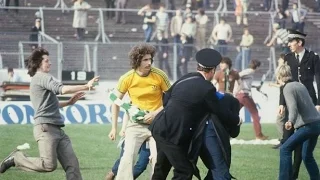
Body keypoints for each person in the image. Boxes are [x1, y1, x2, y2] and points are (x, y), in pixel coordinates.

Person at [0, 48, 99, 180]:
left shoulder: (39, 79)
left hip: (57, 130)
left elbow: (50, 104)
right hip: (46, 129)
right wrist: (86, 86)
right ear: (38, 63)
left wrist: (68, 103)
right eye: (47, 61)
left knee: (72, 165)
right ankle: (16, 159)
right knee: (48, 165)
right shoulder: (42, 77)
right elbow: (62, 89)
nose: (50, 63)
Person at [149, 48, 240, 180]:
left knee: (161, 169)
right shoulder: (207, 88)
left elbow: (166, 97)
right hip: (173, 134)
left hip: (159, 127)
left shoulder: (186, 77)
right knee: (184, 171)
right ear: (212, 70)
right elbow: (220, 111)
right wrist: (236, 120)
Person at [108, 43, 171, 180]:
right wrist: (114, 128)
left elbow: (171, 99)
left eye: (150, 59)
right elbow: (115, 102)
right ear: (137, 61)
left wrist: (154, 113)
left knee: (157, 160)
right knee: (127, 157)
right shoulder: (127, 78)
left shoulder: (160, 75)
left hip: (158, 124)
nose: (149, 63)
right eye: (145, 60)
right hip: (135, 125)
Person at [278, 29, 320, 180]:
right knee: (289, 141)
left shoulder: (313, 57)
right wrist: (281, 103)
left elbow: (319, 81)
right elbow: (284, 83)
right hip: (292, 103)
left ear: (300, 42)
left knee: (293, 148)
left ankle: (292, 175)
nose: (288, 44)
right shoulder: (288, 58)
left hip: (309, 105)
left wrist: (319, 103)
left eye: (291, 41)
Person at [105, 114, 150, 180]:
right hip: (133, 132)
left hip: (150, 136)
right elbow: (127, 112)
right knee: (124, 160)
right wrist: (123, 128)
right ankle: (113, 173)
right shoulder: (136, 103)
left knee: (142, 165)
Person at [234, 59, 268, 140]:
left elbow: (245, 82)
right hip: (245, 95)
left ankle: (226, 132)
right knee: (255, 114)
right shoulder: (251, 71)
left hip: (240, 95)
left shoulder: (249, 72)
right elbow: (237, 76)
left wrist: (255, 87)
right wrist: (239, 87)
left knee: (234, 114)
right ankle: (259, 135)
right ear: (257, 66)